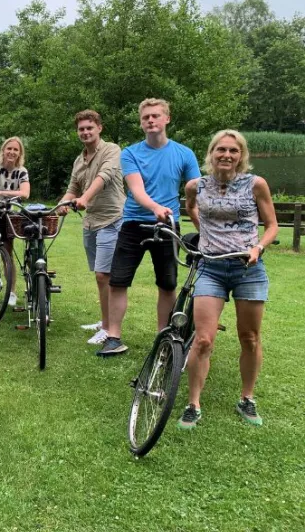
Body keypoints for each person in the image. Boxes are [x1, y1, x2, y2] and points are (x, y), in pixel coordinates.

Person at [177, 130, 278, 429]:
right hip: (211, 267)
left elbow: (272, 225)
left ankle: (247, 397)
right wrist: (205, 232)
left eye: (233, 151)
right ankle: (193, 403)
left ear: (241, 155)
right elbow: (191, 207)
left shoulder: (255, 184)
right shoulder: (196, 186)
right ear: (211, 153)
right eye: (221, 149)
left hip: (248, 269)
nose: (227, 155)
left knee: (249, 337)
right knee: (204, 339)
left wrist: (258, 247)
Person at [102, 98, 201, 357]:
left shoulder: (184, 154)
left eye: (156, 116)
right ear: (141, 122)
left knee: (167, 284)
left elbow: (196, 191)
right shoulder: (130, 153)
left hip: (168, 225)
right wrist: (155, 208)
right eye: (146, 117)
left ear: (167, 119)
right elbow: (136, 191)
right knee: (118, 281)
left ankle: (163, 338)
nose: (150, 120)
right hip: (134, 223)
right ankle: (113, 337)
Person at [57, 110, 125, 345]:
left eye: (89, 128)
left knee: (103, 274)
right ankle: (105, 320)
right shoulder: (80, 159)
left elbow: (104, 177)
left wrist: (84, 199)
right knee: (100, 277)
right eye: (81, 129)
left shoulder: (112, 150)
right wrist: (64, 202)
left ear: (99, 128)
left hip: (112, 219)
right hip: (91, 222)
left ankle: (108, 328)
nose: (85, 132)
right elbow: (73, 186)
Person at [0, 136, 30, 307]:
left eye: (15, 150)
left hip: (9, 213)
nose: (11, 152)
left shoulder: (21, 171)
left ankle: (11, 291)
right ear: (3, 150)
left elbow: (25, 193)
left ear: (19, 153)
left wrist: (2, 193)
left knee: (7, 252)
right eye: (9, 148)